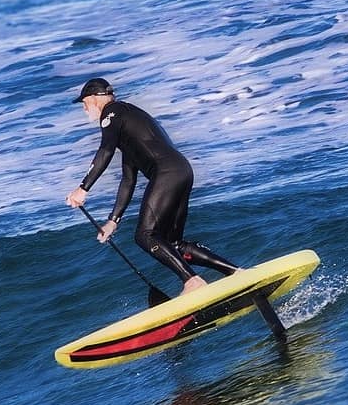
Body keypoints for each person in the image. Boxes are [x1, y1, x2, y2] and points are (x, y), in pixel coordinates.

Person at [65, 77, 241, 294]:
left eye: (83, 102)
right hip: (182, 170)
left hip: (166, 173)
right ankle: (235, 272)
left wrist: (83, 188)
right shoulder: (128, 120)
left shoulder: (112, 113)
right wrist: (113, 221)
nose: (83, 108)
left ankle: (192, 282)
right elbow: (128, 179)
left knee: (145, 235)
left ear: (94, 98)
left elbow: (105, 151)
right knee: (174, 244)